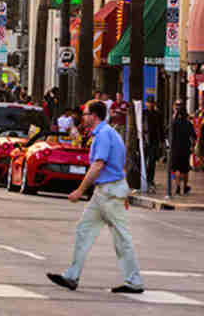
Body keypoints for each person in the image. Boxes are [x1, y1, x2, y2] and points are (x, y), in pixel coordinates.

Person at [47, 100, 144, 295]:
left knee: (121, 237)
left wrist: (80, 191)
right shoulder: (106, 134)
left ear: (94, 116)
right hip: (105, 193)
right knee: (84, 230)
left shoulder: (104, 135)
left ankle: (134, 281)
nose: (82, 118)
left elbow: (98, 165)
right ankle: (72, 276)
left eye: (85, 114)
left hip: (109, 193)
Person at [170, 101, 195, 196]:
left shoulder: (174, 123)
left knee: (176, 169)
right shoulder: (188, 123)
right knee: (185, 170)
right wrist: (192, 146)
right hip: (185, 149)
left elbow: (168, 133)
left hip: (175, 149)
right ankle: (184, 188)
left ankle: (177, 188)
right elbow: (193, 136)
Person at [143, 98, 162, 192]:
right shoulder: (143, 113)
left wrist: (161, 140)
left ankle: (150, 179)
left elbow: (160, 127)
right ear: (146, 103)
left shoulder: (157, 114)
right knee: (143, 160)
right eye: (148, 103)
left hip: (154, 140)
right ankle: (143, 178)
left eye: (151, 103)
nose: (150, 104)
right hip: (144, 140)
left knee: (152, 161)